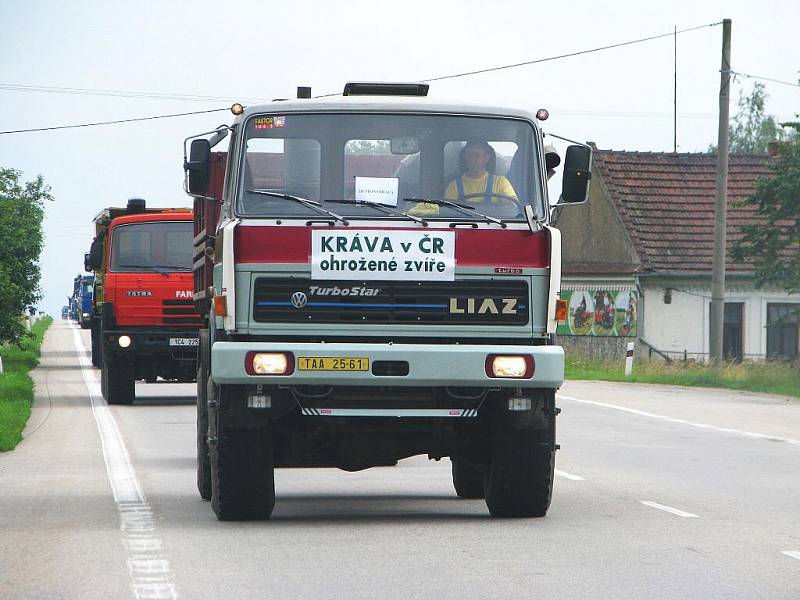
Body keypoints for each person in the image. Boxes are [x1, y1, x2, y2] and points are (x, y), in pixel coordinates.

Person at [410, 140, 517, 215]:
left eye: (476, 155)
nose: (472, 160)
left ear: (487, 157)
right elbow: (448, 211)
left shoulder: (501, 182)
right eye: (468, 155)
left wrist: (506, 204)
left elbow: (513, 208)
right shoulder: (454, 185)